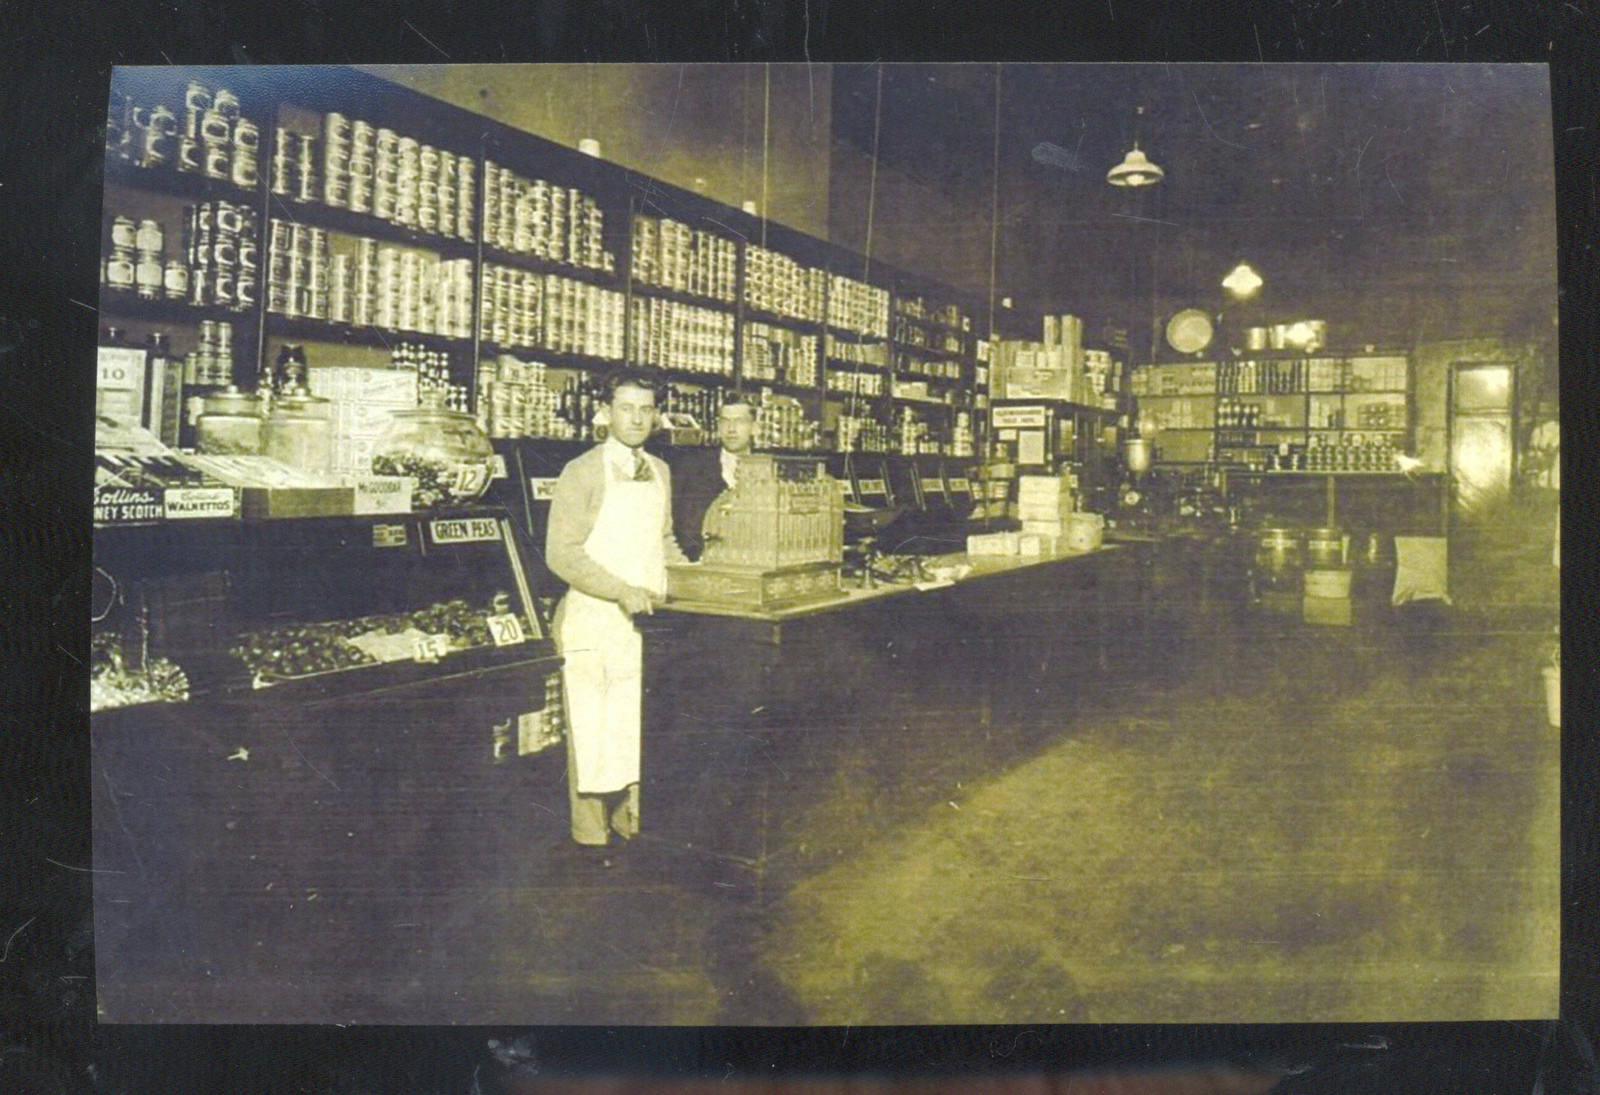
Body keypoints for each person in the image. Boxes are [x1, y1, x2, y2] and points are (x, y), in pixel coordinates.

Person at [545, 372, 688, 853]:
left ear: (656, 415)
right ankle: (589, 836)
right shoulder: (581, 471)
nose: (636, 418)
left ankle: (632, 825)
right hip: (592, 617)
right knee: (592, 728)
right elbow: (561, 554)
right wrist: (620, 589)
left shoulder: (661, 471)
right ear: (606, 412)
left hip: (646, 623)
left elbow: (663, 540)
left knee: (634, 724)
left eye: (645, 409)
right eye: (626, 408)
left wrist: (693, 578)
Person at [671, 393, 756, 561]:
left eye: (740, 421)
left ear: (754, 428)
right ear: (718, 426)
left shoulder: (768, 471)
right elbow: (679, 527)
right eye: (725, 421)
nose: (731, 429)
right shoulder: (691, 467)